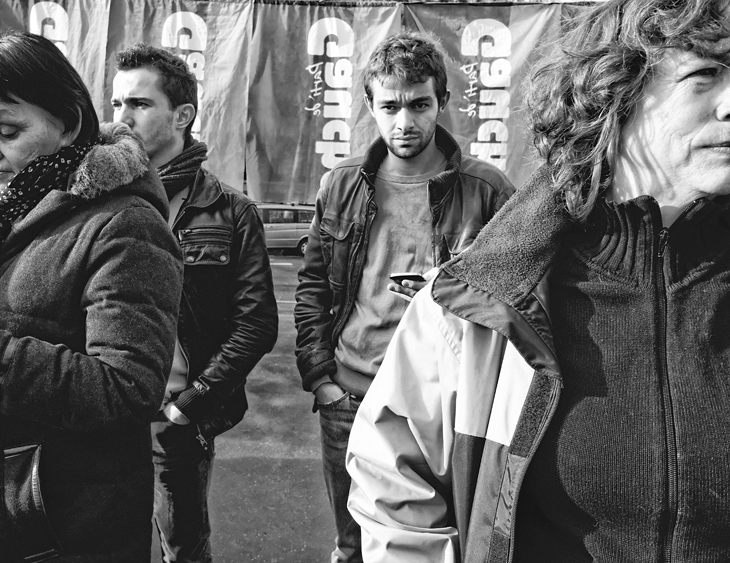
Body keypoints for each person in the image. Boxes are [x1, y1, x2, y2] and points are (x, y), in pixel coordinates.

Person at [346, 1, 730, 562]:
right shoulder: (481, 299)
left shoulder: (484, 187)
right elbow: (395, 486)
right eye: (704, 75)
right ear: (610, 95)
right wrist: (322, 369)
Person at [0, 31, 183, 562]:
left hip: (53, 530)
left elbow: (126, 389)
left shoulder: (124, 224)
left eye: (6, 129)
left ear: (68, 123)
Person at [294, 30, 515, 563]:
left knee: (442, 542)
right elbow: (313, 286)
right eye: (390, 106)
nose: (404, 121)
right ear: (369, 104)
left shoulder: (485, 190)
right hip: (349, 396)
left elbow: (515, 303)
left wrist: (445, 292)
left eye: (419, 105)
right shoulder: (342, 183)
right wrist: (320, 378)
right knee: (353, 544)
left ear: (441, 101)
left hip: (441, 407)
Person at [111, 44, 278, 563]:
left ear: (182, 115)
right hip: (103, 412)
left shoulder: (229, 211)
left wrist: (193, 403)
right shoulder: (97, 198)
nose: (121, 118)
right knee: (104, 543)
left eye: (138, 104)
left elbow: (256, 323)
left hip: (173, 422)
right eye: (116, 104)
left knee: (182, 548)